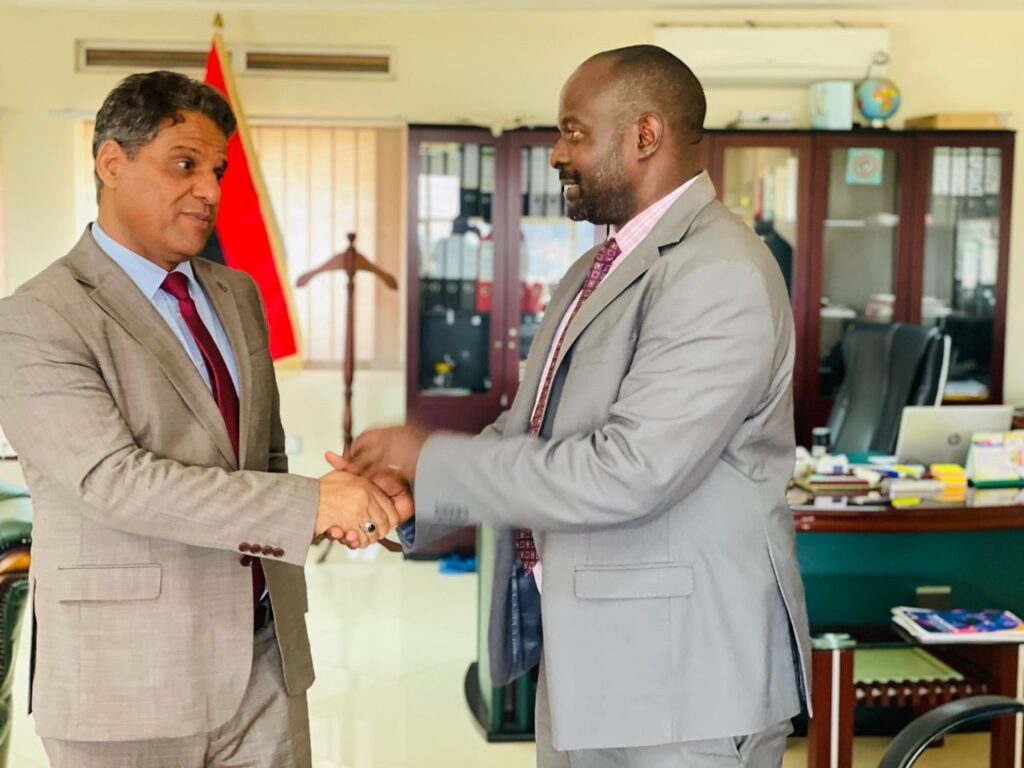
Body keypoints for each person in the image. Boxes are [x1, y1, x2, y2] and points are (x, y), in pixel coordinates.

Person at [339, 45, 811, 767]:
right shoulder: (593, 269)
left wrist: (431, 458)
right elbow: (525, 431)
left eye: (573, 132)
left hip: (685, 688)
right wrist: (413, 498)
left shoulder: (720, 271)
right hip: (589, 668)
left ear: (645, 135)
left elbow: (629, 472)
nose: (557, 154)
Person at [0, 71, 406, 768]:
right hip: (127, 682)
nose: (212, 191)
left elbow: (262, 460)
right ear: (112, 162)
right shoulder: (36, 317)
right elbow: (111, 482)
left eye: (218, 170)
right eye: (185, 165)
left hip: (267, 665)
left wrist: (341, 506)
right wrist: (310, 504)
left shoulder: (237, 293)